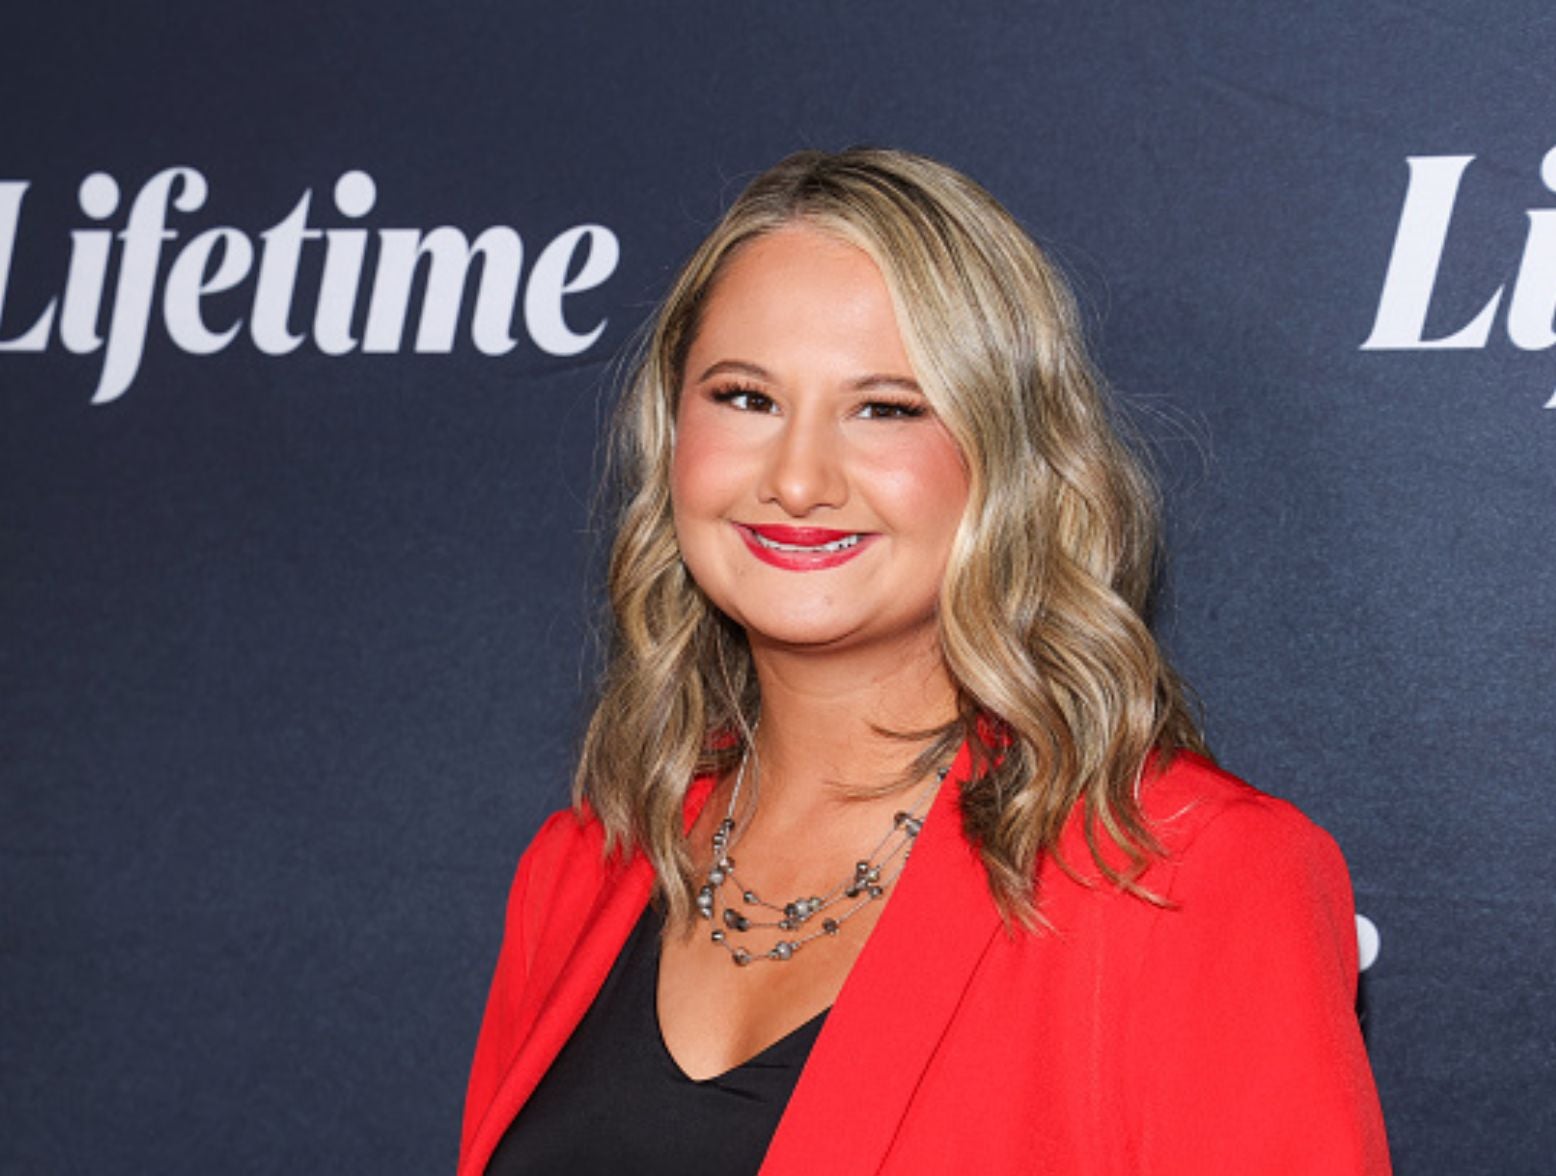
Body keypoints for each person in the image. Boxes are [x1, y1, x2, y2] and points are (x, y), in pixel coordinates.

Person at [459, 148, 1391, 1175]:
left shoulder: (1184, 872)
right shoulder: (582, 865)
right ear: (671, 430)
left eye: (885, 408)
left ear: (1010, 459)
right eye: (744, 398)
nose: (798, 479)